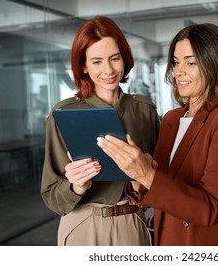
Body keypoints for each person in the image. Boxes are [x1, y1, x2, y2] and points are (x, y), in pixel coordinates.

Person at [97, 23, 218, 245]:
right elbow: (159, 190)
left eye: (190, 62)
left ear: (215, 65)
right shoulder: (172, 119)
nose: (179, 71)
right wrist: (134, 173)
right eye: (175, 62)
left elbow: (211, 208)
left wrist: (146, 174)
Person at [40, 15, 160, 246]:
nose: (108, 70)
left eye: (114, 58)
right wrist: (76, 186)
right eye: (96, 61)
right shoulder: (63, 114)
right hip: (82, 224)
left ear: (124, 59)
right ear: (83, 65)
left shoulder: (145, 110)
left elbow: (164, 181)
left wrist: (142, 177)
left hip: (132, 222)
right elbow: (51, 196)